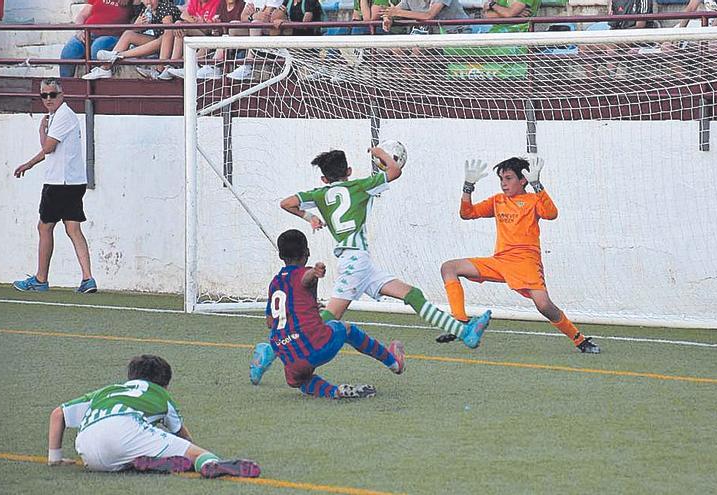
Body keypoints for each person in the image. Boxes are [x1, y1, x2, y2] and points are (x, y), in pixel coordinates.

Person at [277, 148, 492, 349]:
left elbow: (286, 203)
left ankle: (465, 333)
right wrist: (379, 152)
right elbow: (395, 171)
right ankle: (278, 348)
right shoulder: (360, 186)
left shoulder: (319, 194)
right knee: (330, 316)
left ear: (324, 179)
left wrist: (310, 217)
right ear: (349, 171)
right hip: (355, 263)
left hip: (359, 263)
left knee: (413, 295)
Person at [436, 156, 601, 354]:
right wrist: (468, 186)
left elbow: (551, 213)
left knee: (544, 306)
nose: (504, 184)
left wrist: (537, 185)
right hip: (500, 261)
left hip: (526, 263)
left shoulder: (532, 200)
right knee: (449, 267)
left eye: (508, 178)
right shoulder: (497, 201)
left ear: (522, 180)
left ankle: (580, 340)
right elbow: (467, 213)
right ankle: (461, 321)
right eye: (501, 179)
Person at [248, 230, 406, 399]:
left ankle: (336, 391)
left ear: (280, 255)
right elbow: (305, 278)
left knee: (301, 380)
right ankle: (394, 362)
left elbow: (270, 322)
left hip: (288, 356)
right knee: (344, 329)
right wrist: (315, 272)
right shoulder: (303, 273)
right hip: (316, 345)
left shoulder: (274, 283)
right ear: (307, 252)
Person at [47, 354, 261, 478]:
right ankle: (210, 464)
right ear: (165, 385)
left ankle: (147, 462)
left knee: (132, 450)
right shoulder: (160, 395)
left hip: (88, 452)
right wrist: (191, 451)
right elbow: (183, 436)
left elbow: (58, 414)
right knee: (192, 452)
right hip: (125, 430)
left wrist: (55, 458)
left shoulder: (108, 391)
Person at [13, 79, 97, 294]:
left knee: (45, 226)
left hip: (60, 182)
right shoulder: (59, 116)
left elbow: (48, 148)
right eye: (44, 95)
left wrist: (29, 161)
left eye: (53, 94)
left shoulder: (62, 116)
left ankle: (41, 279)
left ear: (62, 94)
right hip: (72, 181)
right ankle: (88, 278)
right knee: (73, 228)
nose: (48, 99)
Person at [82, 0, 182, 80]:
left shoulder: (164, 6)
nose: (149, 2)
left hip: (174, 43)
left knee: (164, 36)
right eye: (145, 0)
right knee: (128, 34)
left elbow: (167, 28)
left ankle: (159, 69)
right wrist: (138, 25)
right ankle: (105, 68)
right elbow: (136, 29)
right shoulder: (146, 9)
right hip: (158, 41)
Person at [59, 0, 134, 78]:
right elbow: (82, 15)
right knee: (69, 51)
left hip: (112, 35)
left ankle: (95, 86)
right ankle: (66, 87)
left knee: (98, 47)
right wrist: (79, 30)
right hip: (87, 32)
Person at [381, 0, 469, 34]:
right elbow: (390, 12)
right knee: (397, 50)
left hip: (456, 33)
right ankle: (410, 74)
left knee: (417, 51)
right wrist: (387, 19)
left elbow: (429, 15)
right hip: (431, 35)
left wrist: (398, 12)